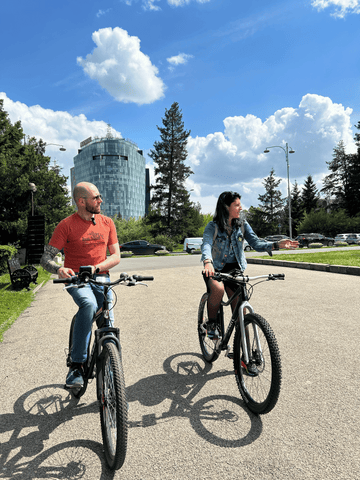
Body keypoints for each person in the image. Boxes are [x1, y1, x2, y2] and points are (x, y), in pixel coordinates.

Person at [40, 182, 121, 388]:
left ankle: (115, 385)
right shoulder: (66, 225)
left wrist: (96, 267)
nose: (100, 200)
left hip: (101, 278)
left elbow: (116, 256)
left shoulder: (107, 222)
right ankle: (77, 365)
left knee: (108, 327)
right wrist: (59, 269)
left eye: (99, 197)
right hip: (76, 279)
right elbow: (46, 258)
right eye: (96, 198)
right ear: (81, 201)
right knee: (88, 305)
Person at [201, 191, 298, 339]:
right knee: (218, 289)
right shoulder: (212, 226)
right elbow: (206, 244)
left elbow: (256, 243)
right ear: (226, 207)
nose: (241, 208)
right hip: (216, 269)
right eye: (237, 205)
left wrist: (276, 245)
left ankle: (244, 355)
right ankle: (212, 324)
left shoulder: (243, 225)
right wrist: (208, 262)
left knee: (241, 311)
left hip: (235, 269)